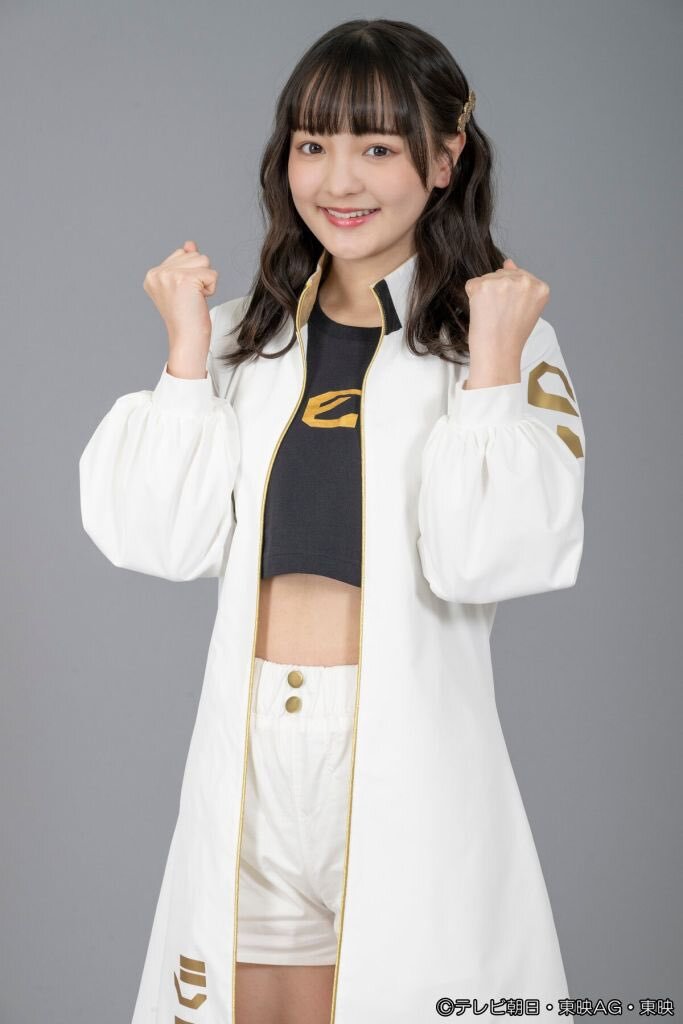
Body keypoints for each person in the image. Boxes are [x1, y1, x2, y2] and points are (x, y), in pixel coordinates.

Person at [78, 17, 586, 1024]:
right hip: (254, 753)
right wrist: (184, 355)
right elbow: (155, 540)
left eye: (377, 148)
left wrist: (490, 371)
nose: (338, 180)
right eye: (312, 144)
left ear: (443, 158)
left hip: (401, 754)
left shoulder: (500, 342)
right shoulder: (243, 337)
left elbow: (491, 559)